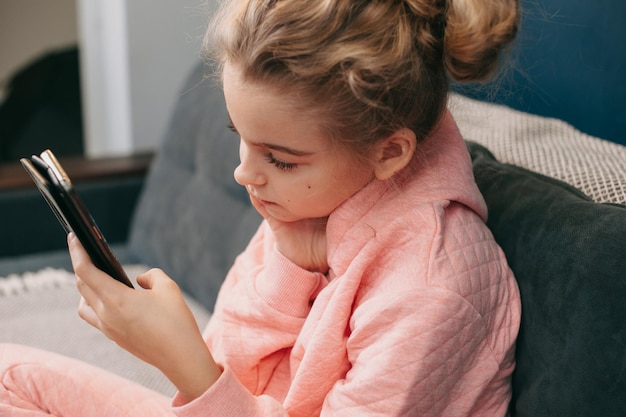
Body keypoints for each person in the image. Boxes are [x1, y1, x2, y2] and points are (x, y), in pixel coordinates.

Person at [0, 0, 521, 415]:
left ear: (390, 152)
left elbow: (212, 378)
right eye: (240, 137)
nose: (243, 173)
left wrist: (183, 362)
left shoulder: (432, 290)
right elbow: (238, 366)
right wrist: (291, 268)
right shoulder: (310, 202)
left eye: (279, 158)